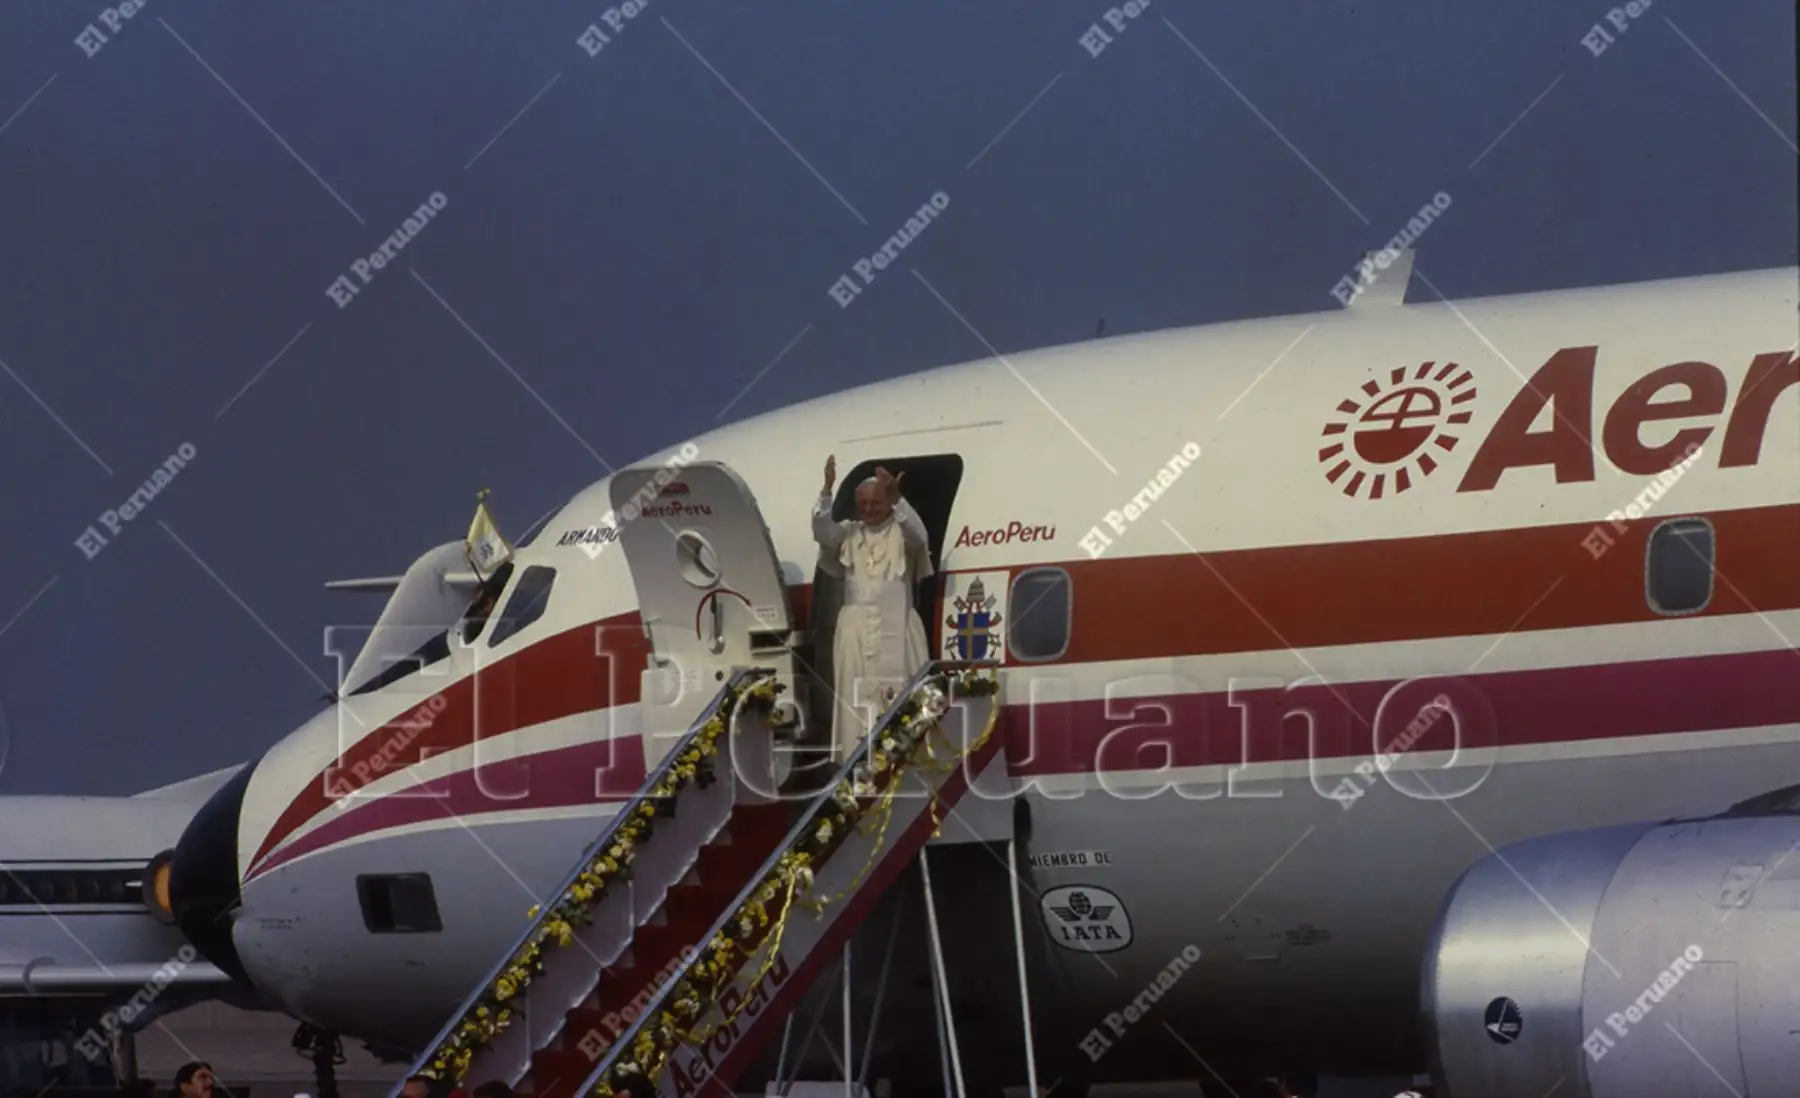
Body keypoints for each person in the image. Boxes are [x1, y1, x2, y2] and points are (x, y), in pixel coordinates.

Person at [811, 455, 932, 762]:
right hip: (856, 630)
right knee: (855, 698)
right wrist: (826, 491)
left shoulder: (902, 530)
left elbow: (920, 538)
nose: (868, 509)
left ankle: (903, 760)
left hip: (898, 624)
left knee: (902, 695)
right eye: (862, 503)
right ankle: (857, 758)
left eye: (875, 503)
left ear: (889, 501)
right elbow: (823, 532)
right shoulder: (849, 533)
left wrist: (899, 499)